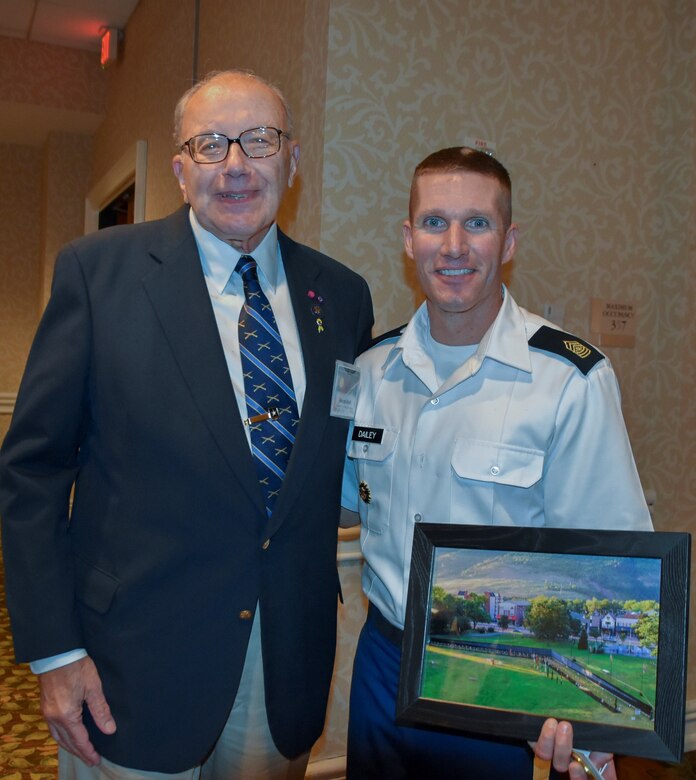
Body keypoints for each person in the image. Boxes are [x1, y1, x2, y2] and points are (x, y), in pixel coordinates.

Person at [0, 69, 373, 779]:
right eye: (210, 145)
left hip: (283, 656)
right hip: (129, 661)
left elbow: (339, 460)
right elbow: (33, 472)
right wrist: (55, 651)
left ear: (292, 161)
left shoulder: (343, 297)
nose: (235, 166)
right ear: (179, 170)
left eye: (258, 141)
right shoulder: (97, 273)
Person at [341, 146, 652, 779]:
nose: (453, 245)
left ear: (508, 241)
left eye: (477, 223)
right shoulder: (370, 370)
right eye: (434, 223)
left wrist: (593, 729)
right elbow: (342, 501)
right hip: (382, 661)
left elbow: (614, 556)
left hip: (486, 664)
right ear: (408, 239)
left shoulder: (567, 378)